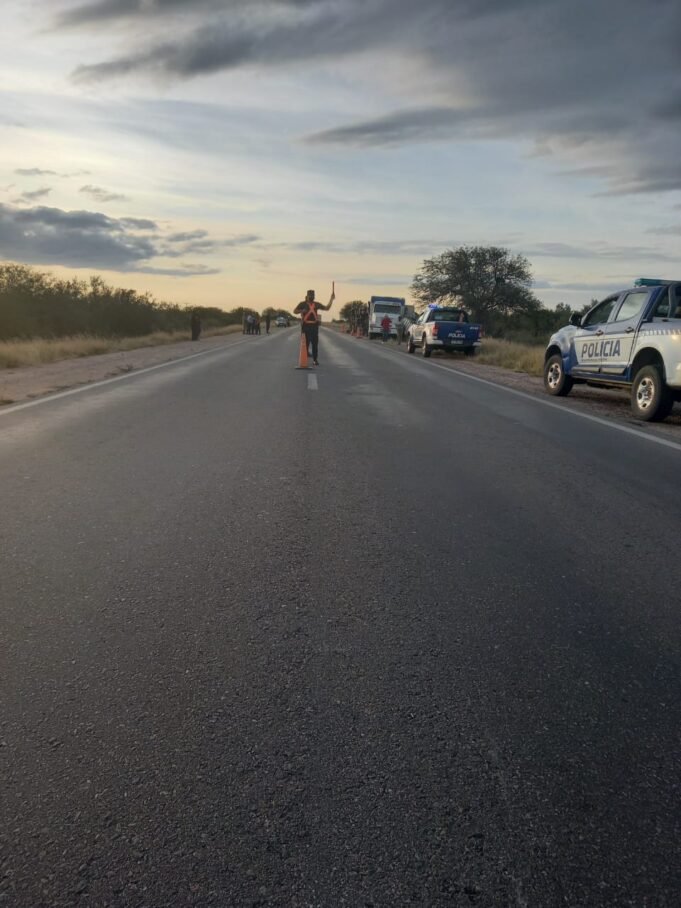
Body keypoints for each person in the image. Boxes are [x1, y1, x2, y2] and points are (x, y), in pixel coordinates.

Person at [293, 283, 335, 365]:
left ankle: (315, 360)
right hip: (305, 326)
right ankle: (304, 359)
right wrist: (302, 311)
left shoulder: (316, 304)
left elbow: (327, 308)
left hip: (314, 326)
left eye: (313, 296)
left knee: (315, 344)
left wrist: (331, 299)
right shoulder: (302, 304)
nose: (312, 297)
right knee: (305, 344)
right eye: (310, 296)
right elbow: (294, 311)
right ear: (307, 296)